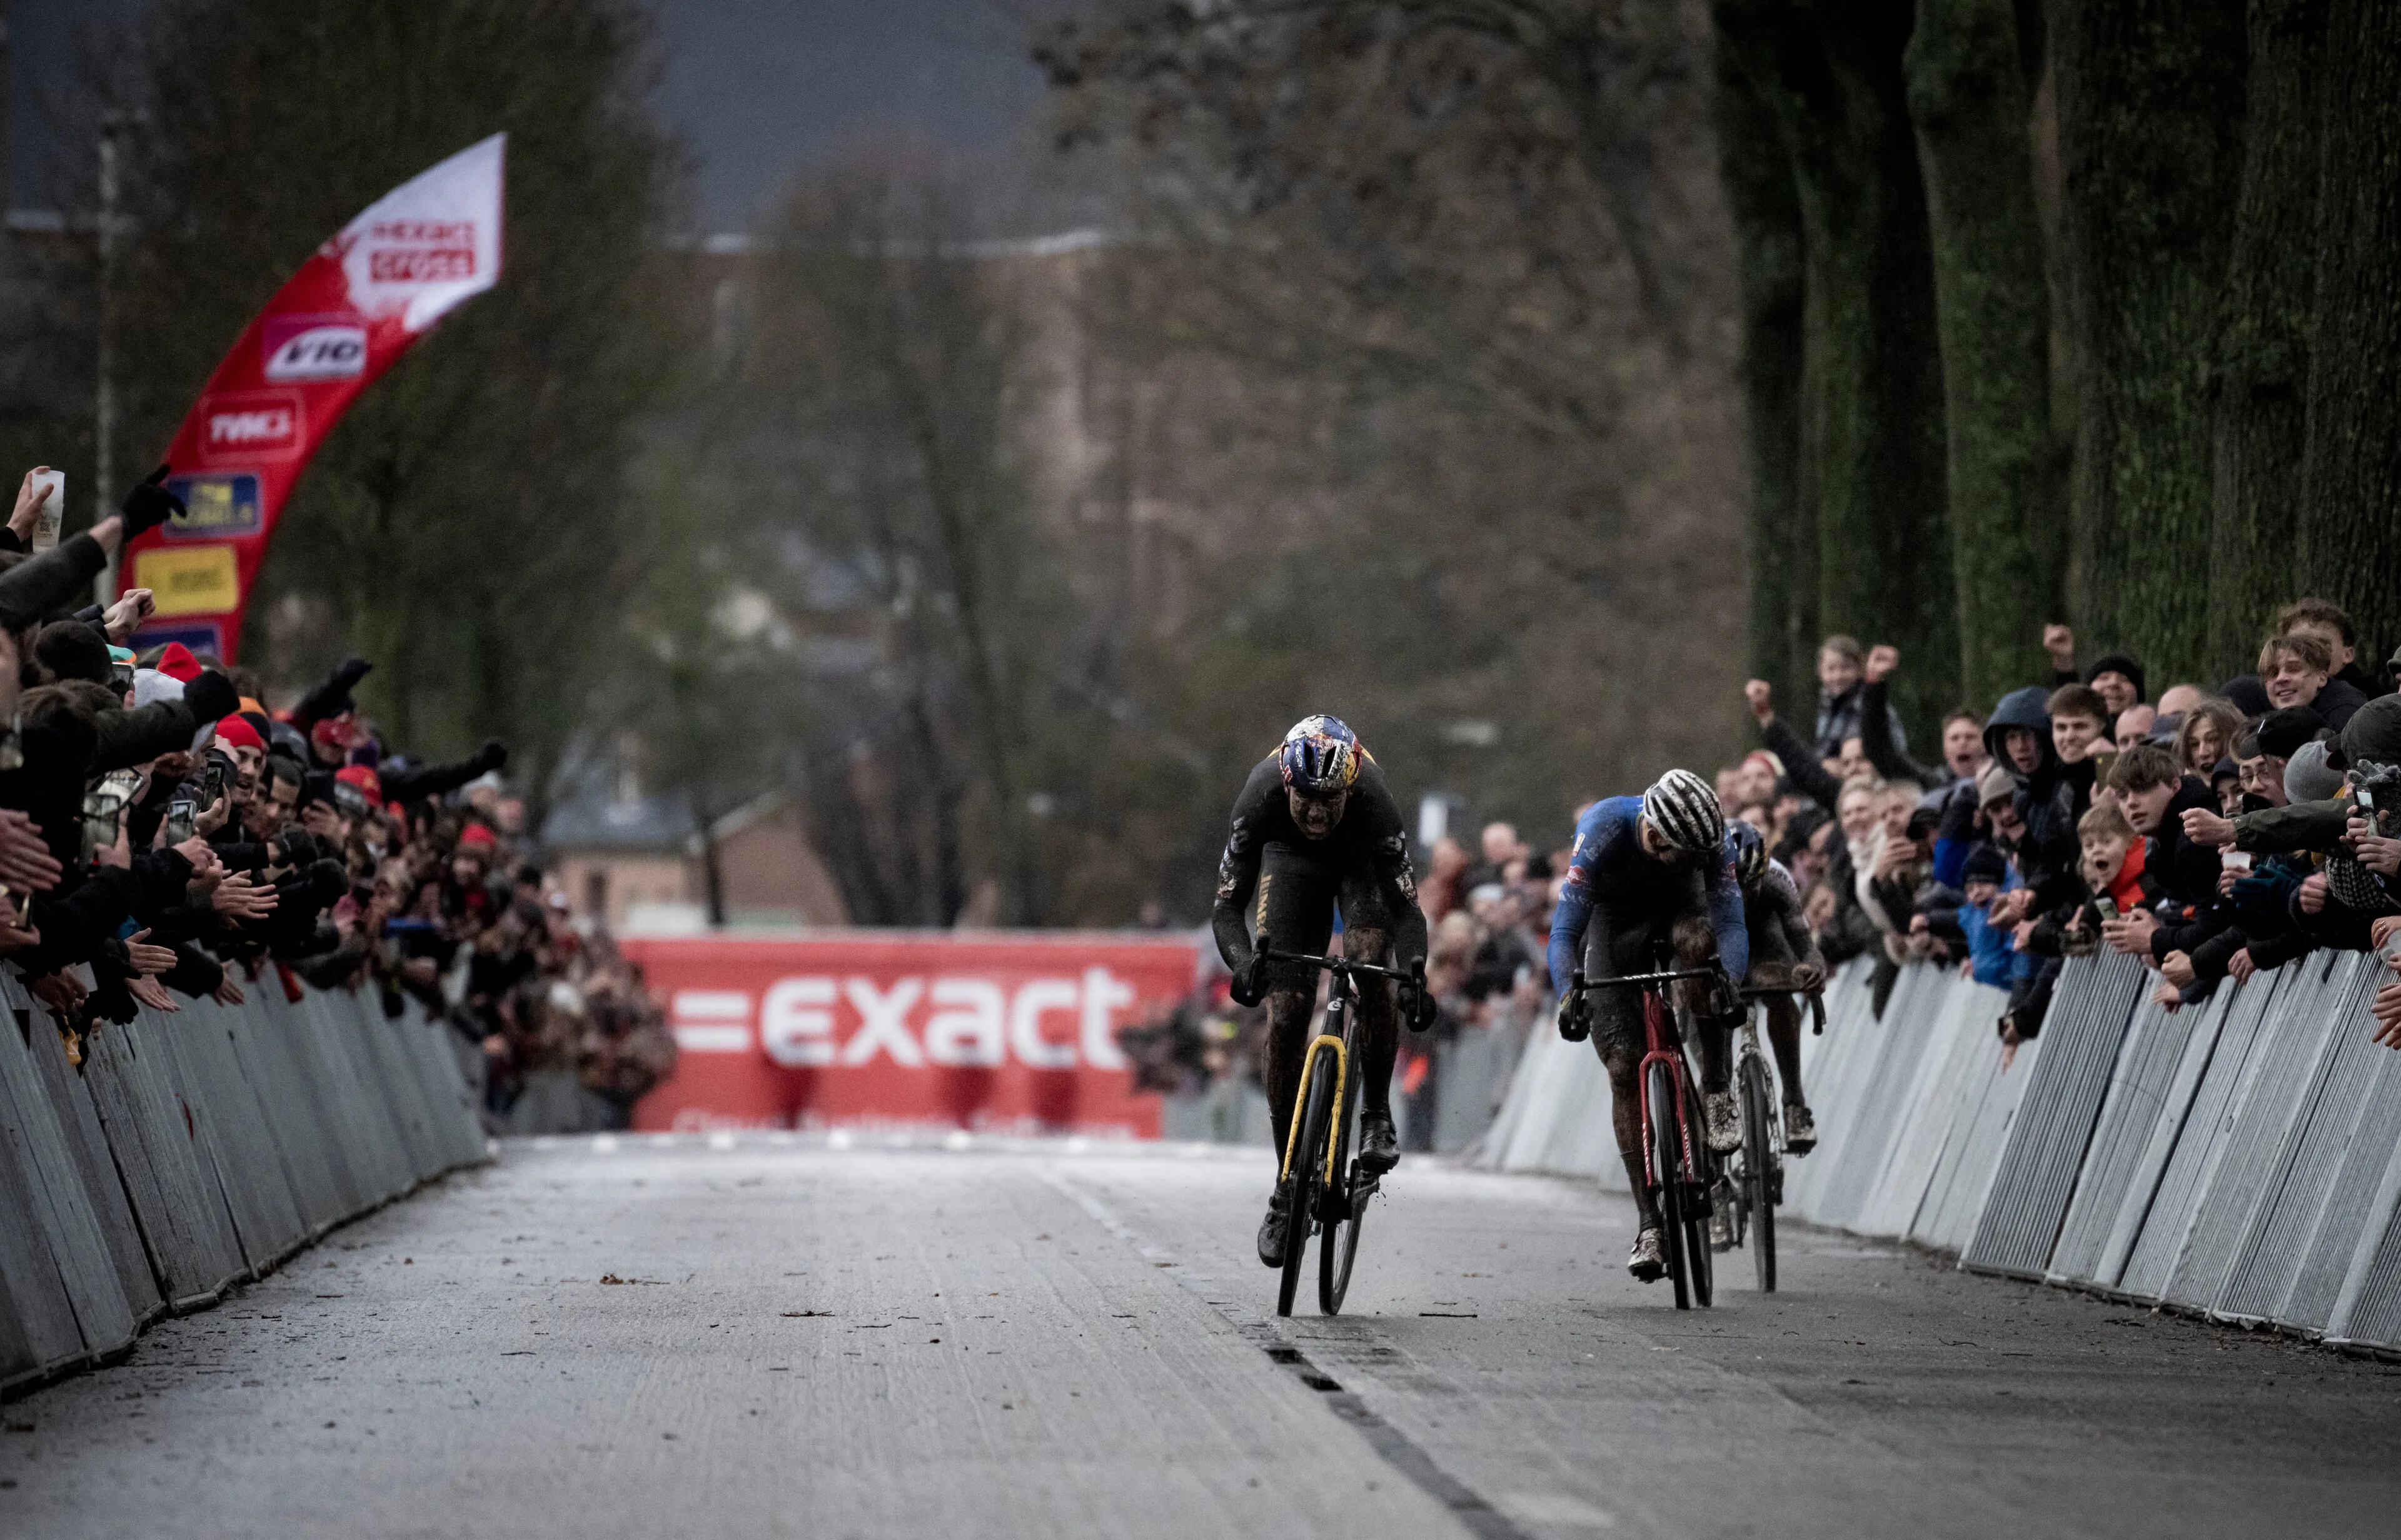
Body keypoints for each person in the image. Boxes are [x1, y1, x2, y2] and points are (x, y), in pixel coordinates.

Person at [1212, 715, 1431, 1269]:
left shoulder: (1373, 799)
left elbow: (1406, 909)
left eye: (1328, 799)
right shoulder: (1259, 794)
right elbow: (1226, 908)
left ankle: (1377, 1112)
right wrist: (1242, 968)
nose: (1315, 811)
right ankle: (1289, 1182)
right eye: (1305, 798)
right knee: (1285, 1014)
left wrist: (1417, 973)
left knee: (1369, 963)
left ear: (1349, 786)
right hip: (1291, 867)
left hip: (1362, 865)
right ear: (1286, 783)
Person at [1546, 768, 1748, 1281]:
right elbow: (1565, 931)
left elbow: (1730, 922)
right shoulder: (1603, 829)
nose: (1699, 861)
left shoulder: (1710, 835)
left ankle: (1718, 1085)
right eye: (1688, 856)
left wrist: (1731, 981)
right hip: (1615, 923)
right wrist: (1568, 993)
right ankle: (1649, 1221)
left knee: (1703, 953)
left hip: (1685, 912)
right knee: (1621, 1066)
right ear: (1656, 836)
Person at [1726, 822, 1824, 1155]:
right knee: (1702, 1003)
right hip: (1714, 938)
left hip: (1765, 936)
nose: (1743, 896)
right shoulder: (1696, 885)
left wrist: (1814, 970)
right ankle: (1714, 1099)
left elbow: (1804, 943)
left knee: (1778, 985)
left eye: (1750, 886)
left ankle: (1794, 1101)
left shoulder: (1776, 880)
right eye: (1734, 888)